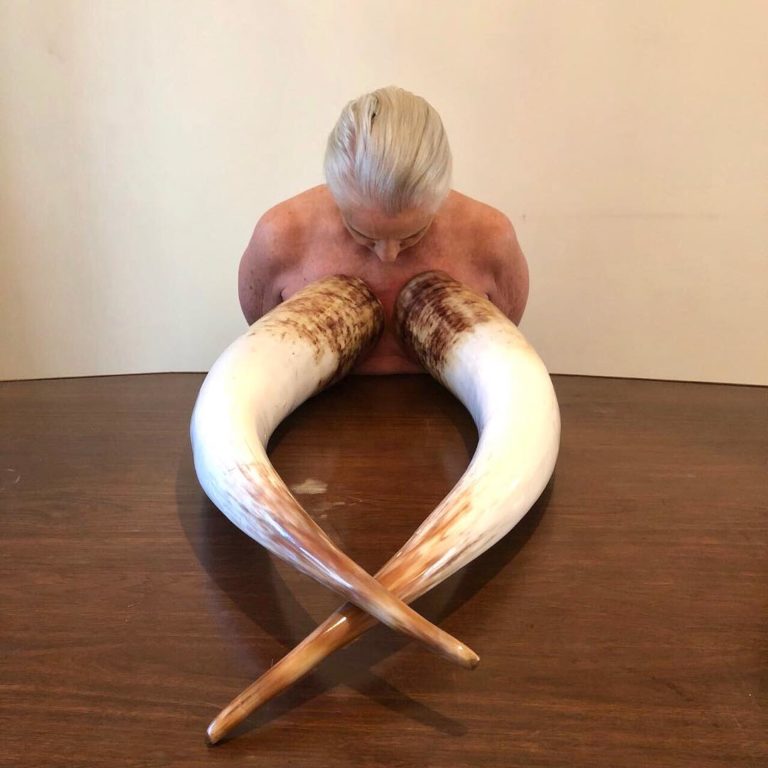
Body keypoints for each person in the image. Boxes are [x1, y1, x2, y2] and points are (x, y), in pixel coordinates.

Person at [238, 85, 530, 374]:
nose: (387, 256)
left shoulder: (492, 239)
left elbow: (501, 359)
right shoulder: (279, 237)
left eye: (412, 235)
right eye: (363, 234)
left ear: (440, 198)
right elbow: (266, 355)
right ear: (336, 194)